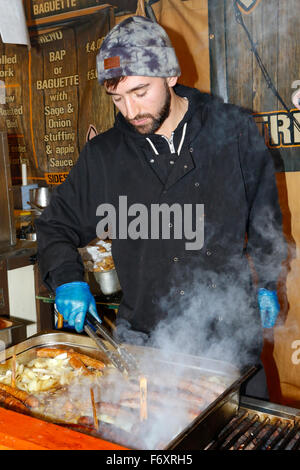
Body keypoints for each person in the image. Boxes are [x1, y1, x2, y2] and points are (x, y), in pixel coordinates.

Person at [36, 16, 286, 399]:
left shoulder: (233, 130)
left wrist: (268, 282)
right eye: (117, 99)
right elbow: (56, 225)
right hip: (147, 344)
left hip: (231, 338)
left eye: (140, 92)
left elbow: (264, 216)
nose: (130, 111)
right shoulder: (105, 156)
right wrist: (67, 276)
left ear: (170, 74)